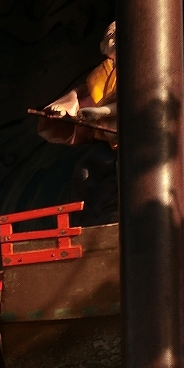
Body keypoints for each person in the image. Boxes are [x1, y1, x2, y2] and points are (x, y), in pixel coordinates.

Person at [37, 22, 119, 226]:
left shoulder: (139, 70)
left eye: (119, 34)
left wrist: (101, 112)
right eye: (109, 35)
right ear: (103, 46)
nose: (114, 39)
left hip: (129, 144)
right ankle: (87, 221)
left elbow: (136, 100)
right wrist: (66, 110)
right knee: (84, 172)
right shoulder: (101, 75)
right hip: (105, 145)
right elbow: (81, 97)